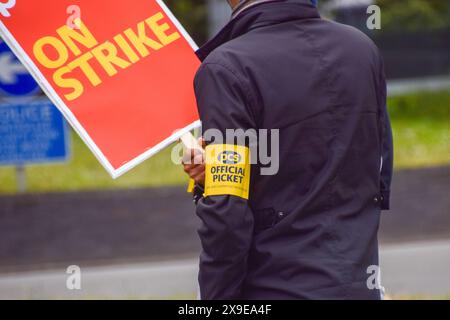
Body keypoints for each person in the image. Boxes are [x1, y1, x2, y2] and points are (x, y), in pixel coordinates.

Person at [183, 0, 393, 300]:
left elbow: (227, 209)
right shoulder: (361, 48)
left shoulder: (225, 68)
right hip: (359, 284)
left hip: (275, 287)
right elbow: (375, 167)